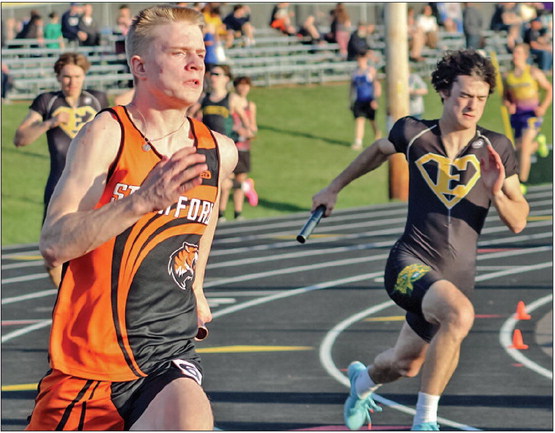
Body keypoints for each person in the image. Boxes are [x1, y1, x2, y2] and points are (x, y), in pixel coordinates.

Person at [25, 5, 237, 430]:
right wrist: (141, 201)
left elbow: (205, 214)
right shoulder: (108, 133)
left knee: (191, 421)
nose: (197, 62)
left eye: (200, 51)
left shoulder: (218, 150)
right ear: (139, 65)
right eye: (179, 53)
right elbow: (53, 243)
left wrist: (194, 283)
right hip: (88, 365)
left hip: (166, 355)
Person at [312, 49, 529, 431]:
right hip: (409, 263)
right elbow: (378, 150)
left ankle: (361, 383)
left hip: (455, 278)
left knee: (405, 364)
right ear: (444, 91)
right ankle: (425, 422)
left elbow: (520, 221)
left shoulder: (496, 149)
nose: (472, 105)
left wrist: (496, 192)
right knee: (459, 315)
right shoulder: (415, 134)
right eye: (464, 95)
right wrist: (334, 188)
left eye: (480, 98)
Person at [13, 52, 109, 288]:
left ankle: (92, 298)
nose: (72, 82)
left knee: (98, 245)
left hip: (93, 182)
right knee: (52, 249)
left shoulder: (98, 99)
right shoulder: (47, 101)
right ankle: (62, 297)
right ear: (58, 77)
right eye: (66, 77)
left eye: (77, 76)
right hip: (59, 182)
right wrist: (49, 123)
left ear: (84, 76)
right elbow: (20, 138)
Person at [503, 43, 552, 193]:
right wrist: (508, 104)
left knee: (524, 145)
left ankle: (521, 181)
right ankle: (537, 143)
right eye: (514, 53)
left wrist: (543, 107)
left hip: (532, 114)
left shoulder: (533, 72)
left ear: (525, 56)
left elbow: (550, 89)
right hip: (517, 115)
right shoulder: (508, 76)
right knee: (519, 149)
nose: (515, 56)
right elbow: (505, 96)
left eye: (518, 53)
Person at [219, 75, 259, 220]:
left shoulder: (250, 105)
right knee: (225, 182)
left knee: (239, 182)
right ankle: (221, 213)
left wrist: (249, 132)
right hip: (231, 146)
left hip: (244, 147)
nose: (243, 88)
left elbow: (253, 127)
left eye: (246, 85)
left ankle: (238, 212)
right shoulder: (230, 101)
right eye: (240, 85)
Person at [350, 52, 381, 151]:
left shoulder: (370, 71)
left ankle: (377, 136)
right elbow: (351, 88)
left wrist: (375, 99)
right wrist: (350, 101)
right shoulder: (355, 73)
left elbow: (376, 85)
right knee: (360, 120)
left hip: (369, 99)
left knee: (372, 121)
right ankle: (358, 142)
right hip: (359, 100)